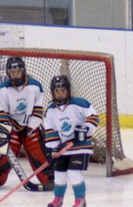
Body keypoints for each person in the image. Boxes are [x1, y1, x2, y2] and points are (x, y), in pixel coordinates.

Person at [0, 56, 53, 187]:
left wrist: (31, 127)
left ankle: (49, 175)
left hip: (30, 127)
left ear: (23, 71)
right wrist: (5, 133)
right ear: (7, 73)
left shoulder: (35, 86)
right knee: (9, 145)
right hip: (12, 128)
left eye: (18, 72)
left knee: (35, 145)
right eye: (12, 73)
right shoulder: (3, 89)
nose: (15, 76)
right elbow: (2, 115)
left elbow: (38, 112)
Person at [44, 75, 100, 207]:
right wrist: (53, 149)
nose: (60, 94)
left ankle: (80, 201)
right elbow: (51, 131)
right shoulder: (50, 111)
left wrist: (84, 129)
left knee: (73, 172)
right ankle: (58, 199)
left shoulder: (80, 103)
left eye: (63, 90)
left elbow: (94, 117)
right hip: (63, 147)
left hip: (80, 145)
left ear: (68, 91)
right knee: (59, 173)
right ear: (52, 92)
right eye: (57, 91)